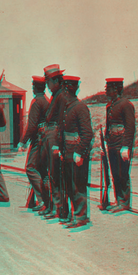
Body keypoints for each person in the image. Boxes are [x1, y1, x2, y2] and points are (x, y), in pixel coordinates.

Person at [61, 76, 93, 228]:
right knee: (70, 186)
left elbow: (87, 133)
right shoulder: (68, 108)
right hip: (68, 152)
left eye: (63, 90)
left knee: (78, 185)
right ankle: (75, 215)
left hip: (77, 154)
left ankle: (81, 217)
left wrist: (79, 152)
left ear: (68, 90)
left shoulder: (80, 108)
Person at [17, 76, 50, 213]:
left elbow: (31, 126)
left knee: (30, 168)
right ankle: (49, 200)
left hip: (39, 140)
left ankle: (42, 200)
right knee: (43, 171)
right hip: (47, 139)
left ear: (34, 88)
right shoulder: (47, 100)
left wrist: (23, 142)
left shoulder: (36, 102)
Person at [40, 64, 68, 220]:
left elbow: (63, 121)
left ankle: (58, 208)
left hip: (55, 137)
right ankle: (53, 206)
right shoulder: (56, 95)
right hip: (50, 136)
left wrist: (58, 143)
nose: (47, 86)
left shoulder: (61, 96)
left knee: (56, 174)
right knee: (50, 173)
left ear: (56, 81)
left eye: (49, 82)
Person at [104, 78, 135, 213]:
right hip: (111, 144)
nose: (106, 90)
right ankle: (119, 201)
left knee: (123, 174)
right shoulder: (109, 105)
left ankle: (125, 203)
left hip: (121, 143)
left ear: (116, 89)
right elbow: (108, 126)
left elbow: (130, 127)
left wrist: (126, 146)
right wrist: (105, 142)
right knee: (115, 174)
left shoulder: (126, 105)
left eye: (108, 88)